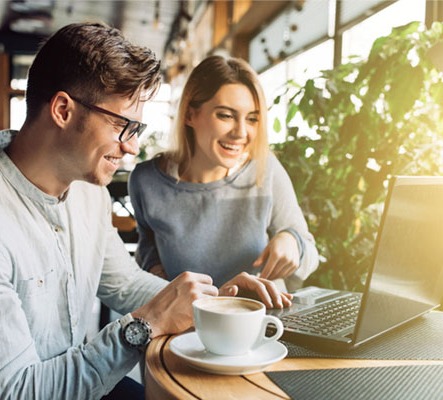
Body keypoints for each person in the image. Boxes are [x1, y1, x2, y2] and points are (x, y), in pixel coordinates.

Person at [0, 23, 292, 400]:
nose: (133, 148)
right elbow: (18, 391)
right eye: (123, 125)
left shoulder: (90, 193)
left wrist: (215, 304)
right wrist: (145, 325)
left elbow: (123, 284)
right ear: (62, 110)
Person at [129, 55, 319, 292]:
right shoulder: (146, 181)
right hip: (188, 323)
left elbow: (310, 253)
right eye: (226, 115)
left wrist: (293, 242)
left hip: (259, 319)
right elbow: (147, 245)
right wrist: (156, 273)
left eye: (252, 119)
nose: (241, 133)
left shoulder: (265, 168)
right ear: (190, 115)